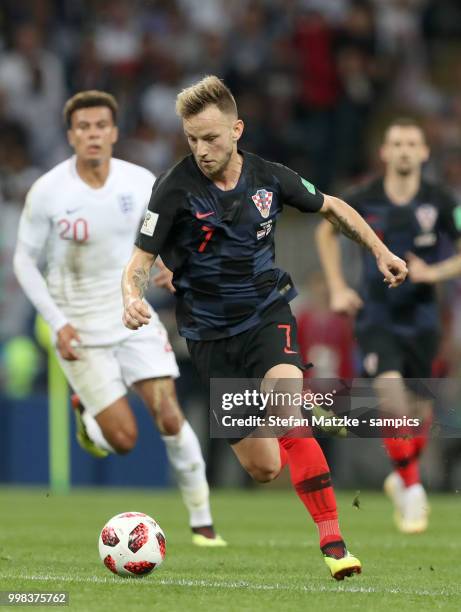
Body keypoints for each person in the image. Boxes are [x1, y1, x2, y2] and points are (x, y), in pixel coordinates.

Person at [121, 75, 407, 579]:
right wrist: (131, 296)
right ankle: (302, 407)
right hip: (210, 338)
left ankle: (335, 544)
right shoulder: (172, 189)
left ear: (237, 129)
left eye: (210, 137)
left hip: (267, 316)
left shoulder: (270, 178)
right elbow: (140, 259)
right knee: (264, 467)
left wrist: (381, 251)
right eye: (192, 139)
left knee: (285, 412)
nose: (201, 149)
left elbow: (334, 207)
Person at [13, 90, 226, 547]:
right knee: (124, 439)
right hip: (78, 328)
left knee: (168, 415)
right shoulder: (48, 191)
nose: (93, 134)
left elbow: (160, 237)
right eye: (83, 127)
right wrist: (56, 322)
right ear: (71, 135)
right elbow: (24, 263)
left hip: (132, 314)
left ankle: (203, 521)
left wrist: (168, 265)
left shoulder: (140, 181)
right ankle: (90, 421)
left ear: (113, 132)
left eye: (100, 126)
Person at [316, 117, 461, 534]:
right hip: (376, 314)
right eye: (395, 143)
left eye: (410, 143)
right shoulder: (364, 198)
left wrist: (433, 273)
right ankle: (413, 490)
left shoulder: (441, 200)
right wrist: (338, 286)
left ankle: (401, 476)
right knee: (391, 398)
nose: (403, 150)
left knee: (418, 413)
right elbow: (326, 233)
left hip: (424, 319)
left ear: (423, 152)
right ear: (384, 152)